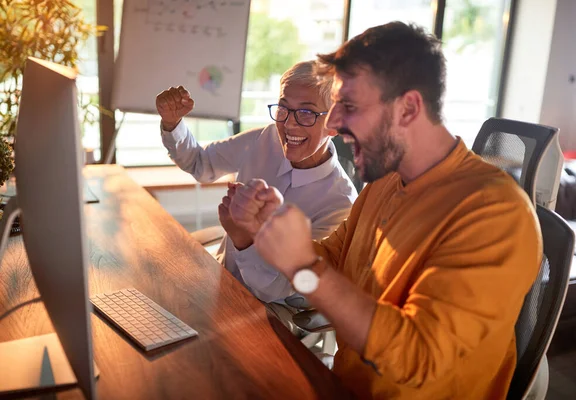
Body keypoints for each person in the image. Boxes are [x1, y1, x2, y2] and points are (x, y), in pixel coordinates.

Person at [229, 22, 542, 399]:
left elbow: (418, 359)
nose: (331, 123)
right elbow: (331, 264)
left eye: (349, 106)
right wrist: (266, 231)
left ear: (408, 108)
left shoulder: (496, 213)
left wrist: (302, 266)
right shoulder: (383, 182)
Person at [155, 61, 357, 309]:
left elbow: (281, 288)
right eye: (283, 109)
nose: (289, 124)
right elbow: (200, 163)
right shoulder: (267, 138)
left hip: (273, 315)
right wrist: (172, 123)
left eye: (306, 113)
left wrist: (244, 239)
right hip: (221, 282)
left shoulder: (340, 204)